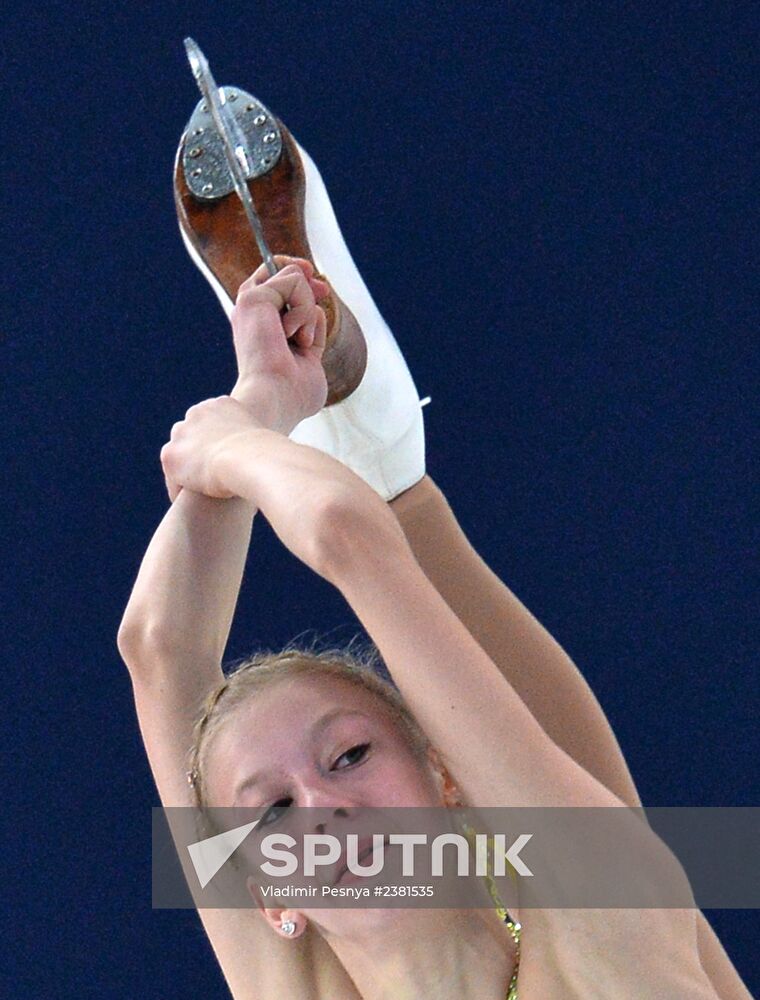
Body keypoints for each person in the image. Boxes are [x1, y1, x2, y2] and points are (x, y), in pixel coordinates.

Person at [119, 129, 751, 999]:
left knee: (586, 842)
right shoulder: (610, 941)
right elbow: (346, 538)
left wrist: (254, 413)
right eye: (270, 814)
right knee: (593, 841)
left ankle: (361, 416)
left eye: (347, 758)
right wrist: (240, 434)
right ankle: (381, 448)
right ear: (268, 898)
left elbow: (160, 650)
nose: (322, 813)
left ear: (445, 779)